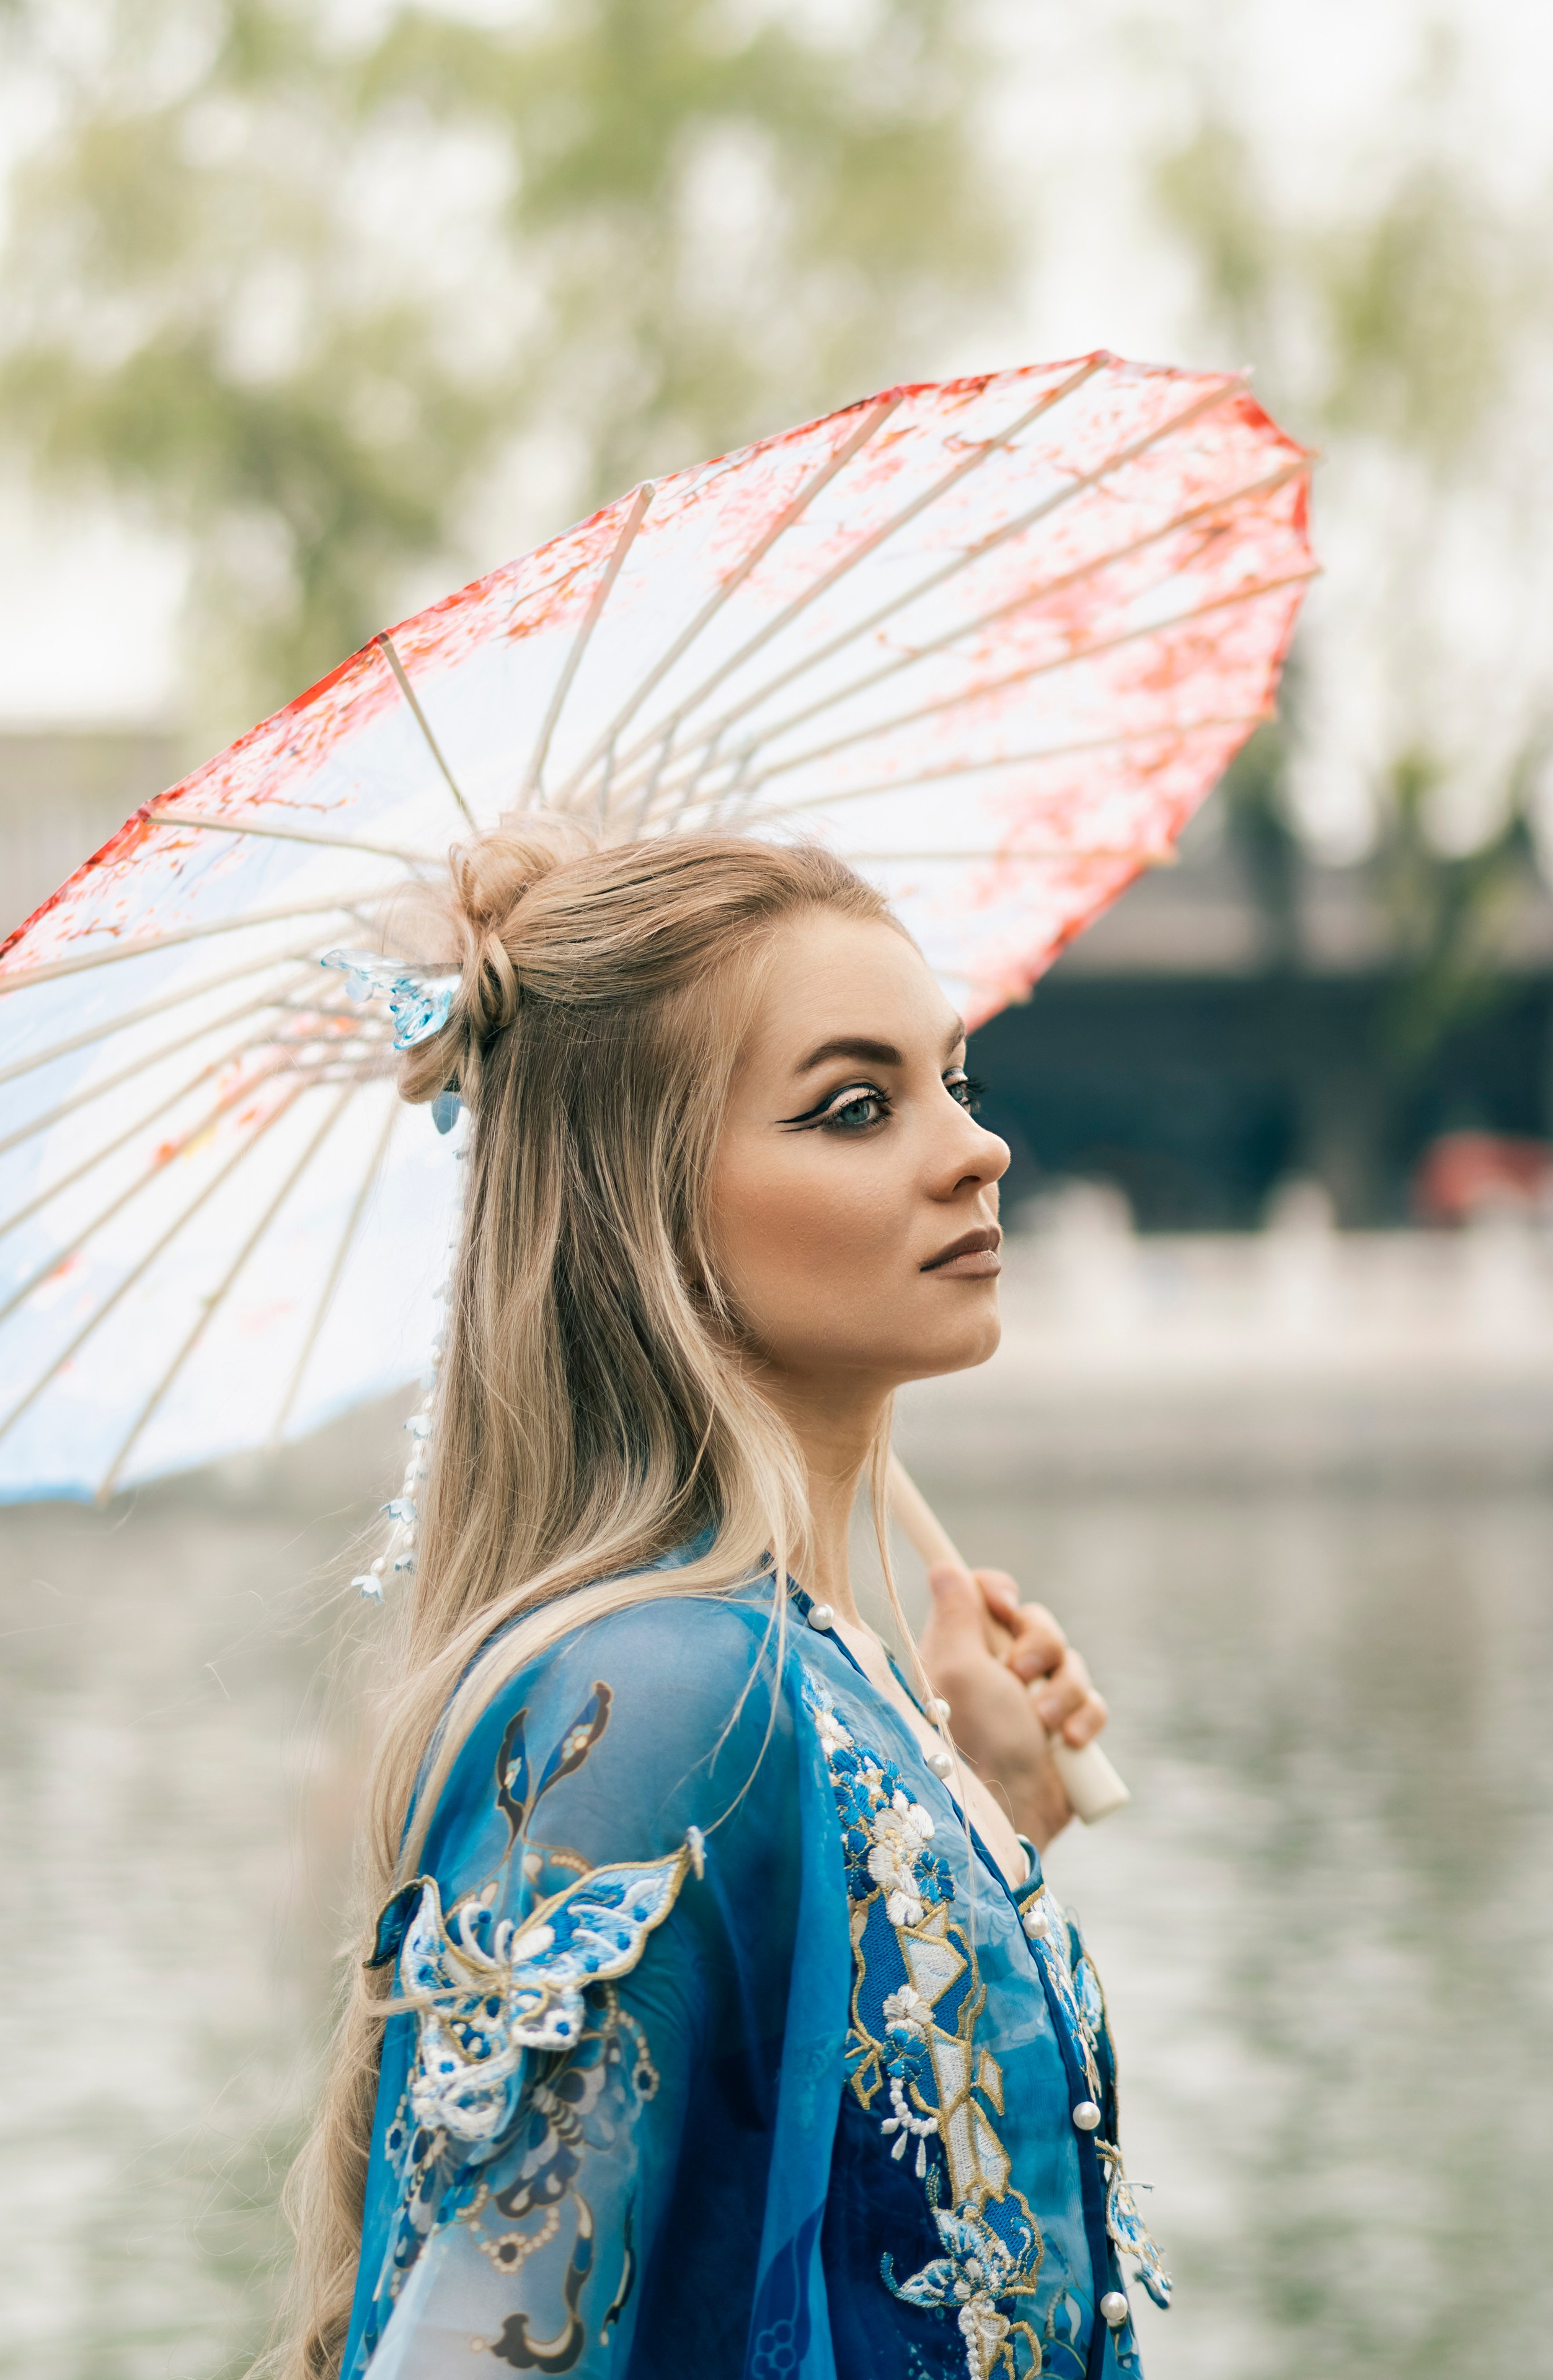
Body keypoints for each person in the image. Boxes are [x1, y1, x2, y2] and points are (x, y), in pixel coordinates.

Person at [274, 822, 1170, 2380]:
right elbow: (477, 2346)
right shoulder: (661, 1700)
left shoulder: (815, 1679)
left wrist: (991, 1810)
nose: (975, 1150)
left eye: (952, 1081)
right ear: (645, 1211)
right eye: (852, 1108)